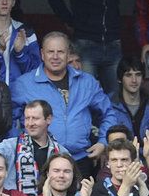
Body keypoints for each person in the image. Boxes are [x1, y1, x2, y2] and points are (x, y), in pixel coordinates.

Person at [10, 31, 116, 168]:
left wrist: (103, 142)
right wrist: (22, 149)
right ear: (42, 54)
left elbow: (109, 113)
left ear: (68, 55)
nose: (55, 57)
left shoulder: (87, 82)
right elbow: (11, 121)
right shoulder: (24, 84)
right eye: (50, 52)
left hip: (81, 159)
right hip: (39, 160)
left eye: (60, 52)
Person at [108, 56, 149, 148]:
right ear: (119, 79)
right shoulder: (109, 105)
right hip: (120, 158)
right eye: (128, 75)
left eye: (138, 74)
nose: (134, 80)